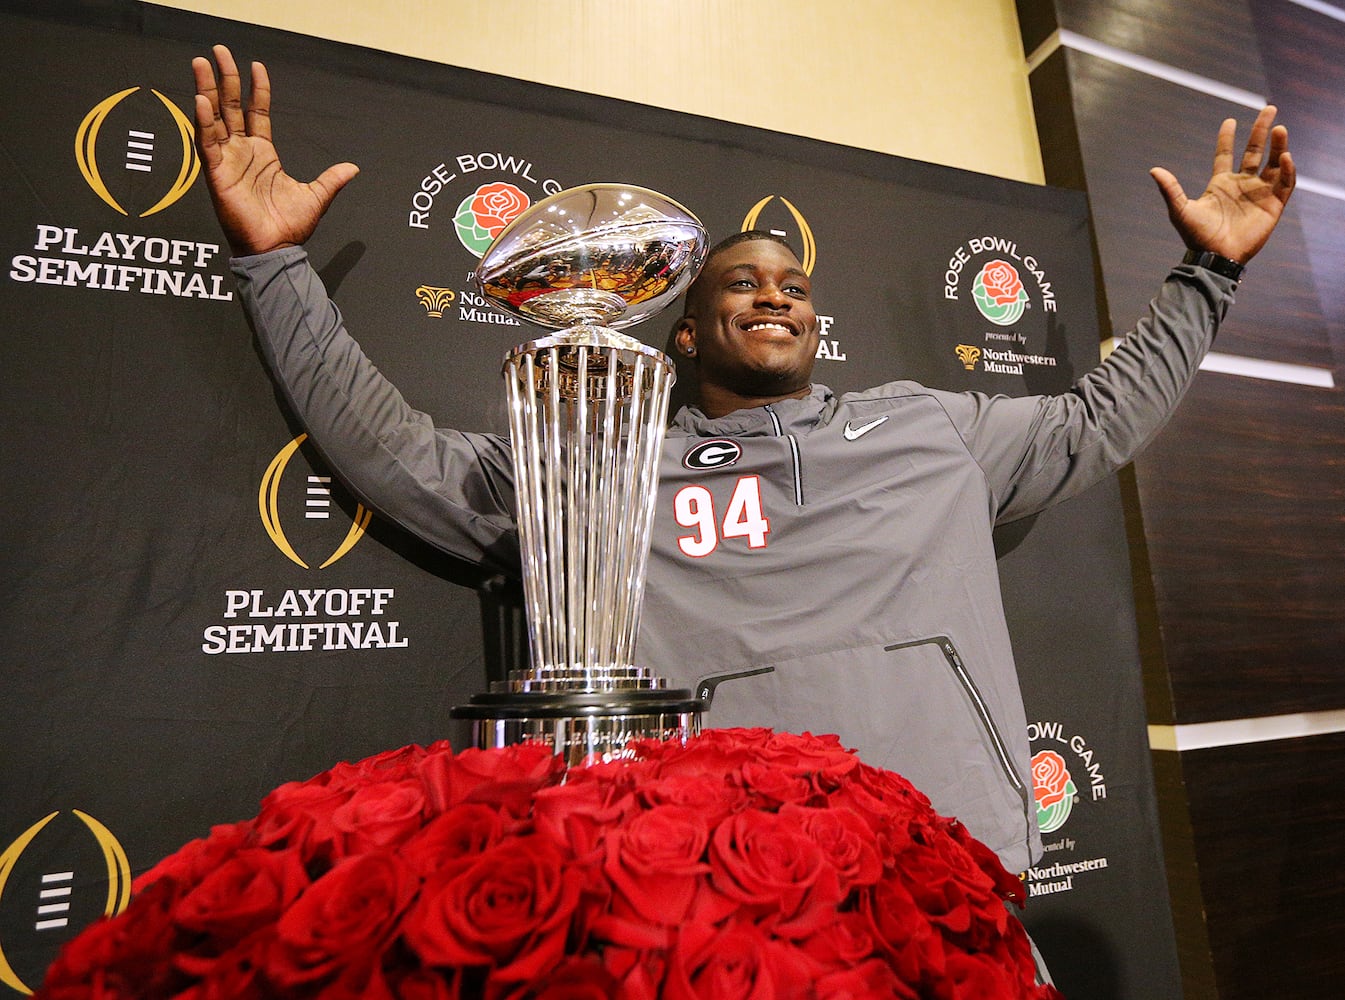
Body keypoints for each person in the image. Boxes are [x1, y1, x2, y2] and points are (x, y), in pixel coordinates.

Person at [192, 46, 1294, 877]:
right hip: (728, 884)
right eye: (739, 282)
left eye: (793, 285)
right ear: (680, 331)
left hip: (951, 859)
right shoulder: (614, 463)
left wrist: (1206, 273)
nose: (774, 292)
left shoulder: (930, 426)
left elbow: (1104, 415)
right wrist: (274, 264)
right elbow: (405, 461)